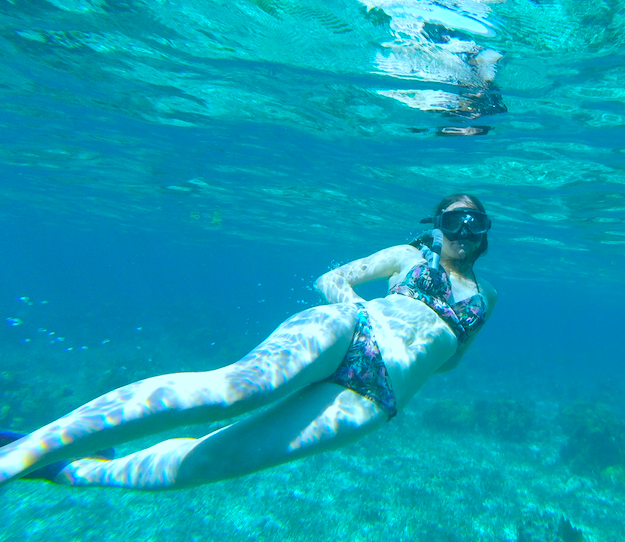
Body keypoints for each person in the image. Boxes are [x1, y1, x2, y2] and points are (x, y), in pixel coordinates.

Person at [0, 194, 497, 490]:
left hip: (375, 398)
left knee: (215, 463)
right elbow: (333, 278)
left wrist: (417, 354)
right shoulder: (409, 255)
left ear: (485, 235)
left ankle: (75, 471)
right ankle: (21, 454)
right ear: (437, 227)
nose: (464, 231)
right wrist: (360, 319)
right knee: (228, 393)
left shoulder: (487, 298)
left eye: (475, 224)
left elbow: (449, 362)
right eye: (452, 220)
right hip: (350, 331)